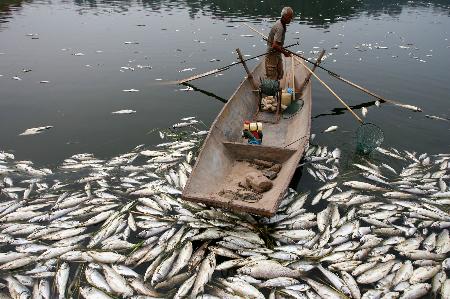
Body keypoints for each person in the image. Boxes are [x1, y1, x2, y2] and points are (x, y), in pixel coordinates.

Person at [265, 7, 294, 80]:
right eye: (290, 17)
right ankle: (271, 89)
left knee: (280, 73)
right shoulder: (280, 27)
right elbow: (274, 45)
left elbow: (277, 44)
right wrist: (285, 53)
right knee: (272, 77)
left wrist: (282, 49)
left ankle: (277, 89)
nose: (291, 18)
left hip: (277, 53)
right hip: (272, 54)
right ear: (284, 16)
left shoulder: (282, 23)